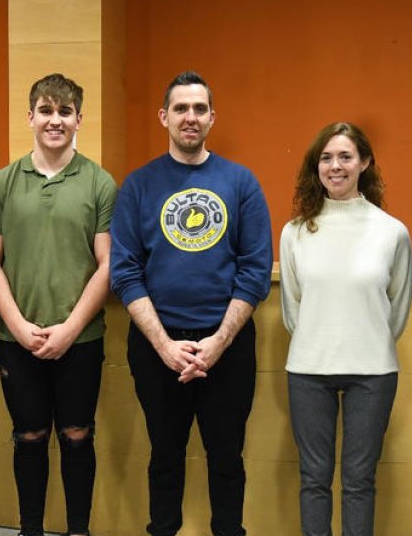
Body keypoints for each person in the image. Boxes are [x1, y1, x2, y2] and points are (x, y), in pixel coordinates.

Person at [110, 70, 273, 536]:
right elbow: (124, 272)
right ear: (164, 116)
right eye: (181, 108)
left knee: (227, 460)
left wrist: (218, 342)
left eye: (200, 108)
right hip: (157, 347)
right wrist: (164, 345)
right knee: (164, 457)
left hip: (228, 346)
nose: (190, 117)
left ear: (212, 118)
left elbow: (255, 270)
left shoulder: (241, 183)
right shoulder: (138, 186)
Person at [0, 73, 117, 536]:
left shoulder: (100, 183)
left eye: (64, 112)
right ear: (30, 117)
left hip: (81, 340)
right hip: (16, 339)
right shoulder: (2, 182)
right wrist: (18, 324)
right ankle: (30, 530)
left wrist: (69, 330)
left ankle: (78, 529)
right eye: (45, 110)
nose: (54, 120)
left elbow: (107, 265)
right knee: (29, 438)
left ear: (80, 119)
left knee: (78, 437)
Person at [279, 122, 412, 536]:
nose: (335, 166)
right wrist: (322, 337)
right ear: (315, 166)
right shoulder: (295, 232)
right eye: (326, 158)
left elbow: (398, 307)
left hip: (372, 373)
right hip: (308, 370)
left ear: (365, 163)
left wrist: (365, 338)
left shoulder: (392, 232)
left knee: (359, 482)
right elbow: (292, 307)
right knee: (314, 480)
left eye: (345, 157)